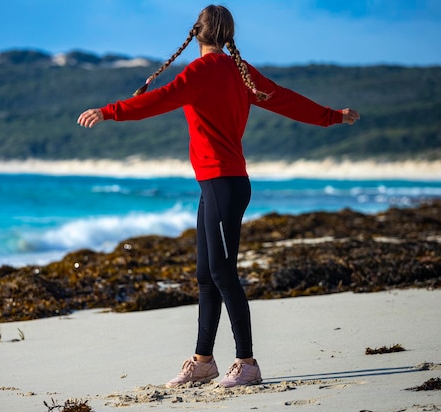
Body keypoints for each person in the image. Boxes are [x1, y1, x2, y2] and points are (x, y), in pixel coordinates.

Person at [77, 4, 360, 388]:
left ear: (196, 33)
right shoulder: (242, 73)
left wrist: (110, 111)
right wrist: (331, 115)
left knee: (223, 274)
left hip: (224, 184)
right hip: (216, 185)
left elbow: (158, 100)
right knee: (205, 275)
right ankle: (203, 361)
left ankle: (247, 363)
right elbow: (286, 99)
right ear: (228, 36)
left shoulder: (202, 72)